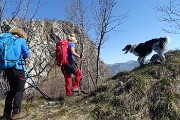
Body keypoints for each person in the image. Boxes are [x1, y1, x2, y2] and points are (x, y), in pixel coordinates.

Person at [2, 27, 30, 120]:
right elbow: (26, 54)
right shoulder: (21, 40)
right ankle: (16, 113)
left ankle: (6, 114)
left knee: (11, 91)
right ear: (21, 33)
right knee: (19, 90)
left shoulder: (6, 40)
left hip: (7, 69)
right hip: (18, 69)